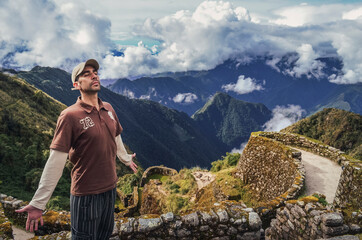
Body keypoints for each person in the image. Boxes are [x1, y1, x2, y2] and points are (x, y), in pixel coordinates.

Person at [16, 59, 138, 239]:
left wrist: (125, 158)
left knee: (104, 236)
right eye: (86, 74)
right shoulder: (69, 116)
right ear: (76, 84)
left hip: (110, 189)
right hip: (86, 195)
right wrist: (38, 203)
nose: (94, 75)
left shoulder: (108, 108)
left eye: (95, 72)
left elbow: (115, 135)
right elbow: (55, 162)